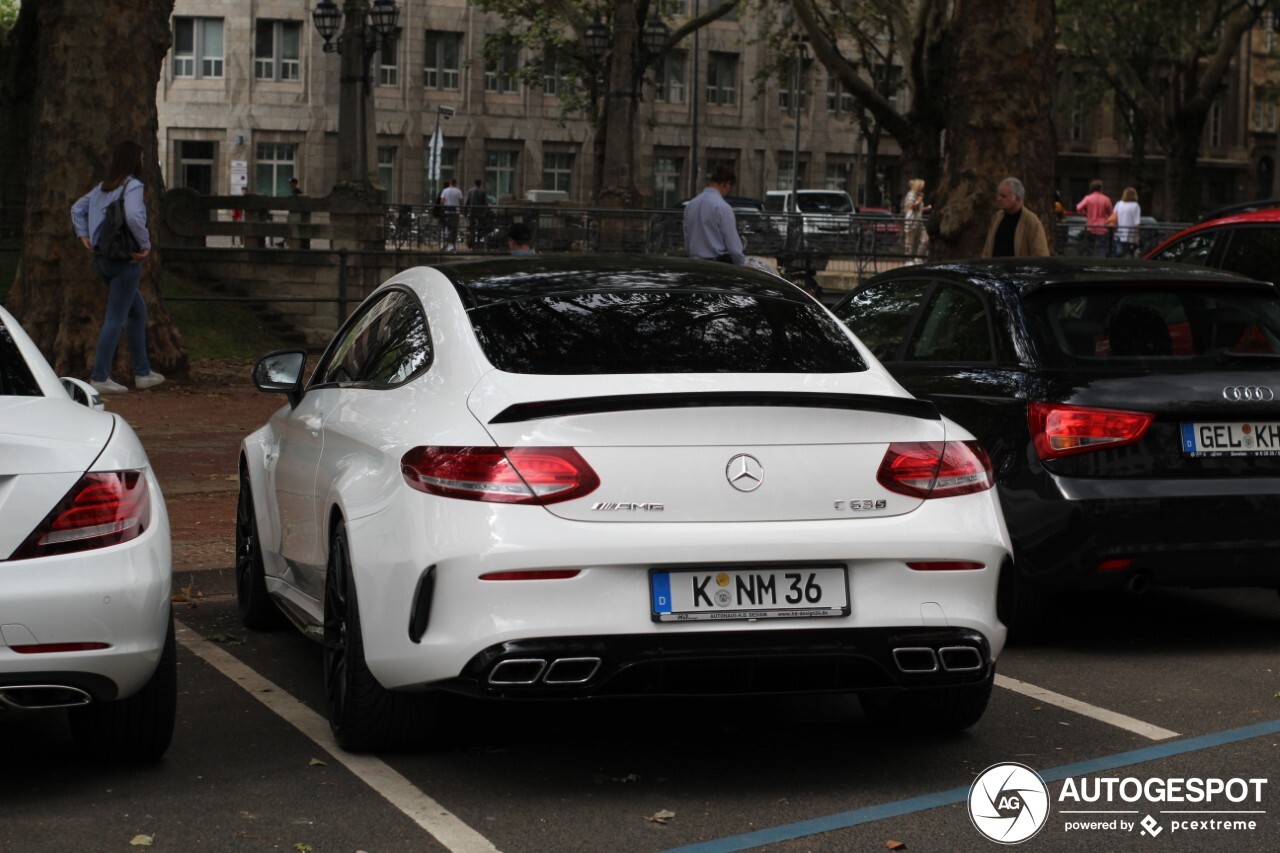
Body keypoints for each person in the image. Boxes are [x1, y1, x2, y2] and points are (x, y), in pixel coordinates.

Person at [70, 140, 165, 395]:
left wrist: (84, 235)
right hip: (126, 260)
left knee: (136, 311)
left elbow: (77, 209)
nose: (143, 162)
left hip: (103, 259)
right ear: (135, 161)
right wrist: (145, 245)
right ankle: (100, 377)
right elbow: (133, 216)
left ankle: (142, 372)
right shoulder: (132, 185)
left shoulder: (102, 187)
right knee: (115, 318)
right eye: (142, 158)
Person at [683, 164, 746, 265]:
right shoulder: (723, 207)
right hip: (716, 264)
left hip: (693, 263)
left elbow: (687, 239)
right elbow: (734, 247)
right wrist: (742, 263)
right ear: (727, 184)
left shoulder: (691, 205)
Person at [981, 176, 1050, 258]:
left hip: (1018, 270)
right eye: (998, 195)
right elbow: (987, 249)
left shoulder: (1031, 221)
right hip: (996, 269)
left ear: (1017, 198)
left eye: (1003, 196)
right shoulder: (997, 218)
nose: (998, 199)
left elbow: (1041, 254)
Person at [1075, 179, 1113, 257]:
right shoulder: (1106, 199)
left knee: (1090, 248)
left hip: (1090, 226)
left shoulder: (1088, 198)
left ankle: (1090, 262)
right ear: (1101, 188)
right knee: (1102, 247)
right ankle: (1101, 264)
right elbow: (1110, 214)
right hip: (1103, 227)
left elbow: (1078, 207)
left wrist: (1085, 214)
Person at [903, 178, 931, 258]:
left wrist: (926, 208)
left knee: (925, 239)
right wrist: (919, 200)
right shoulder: (911, 194)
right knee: (909, 241)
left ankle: (918, 258)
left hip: (919, 219)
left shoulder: (918, 194)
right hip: (912, 219)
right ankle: (908, 259)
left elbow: (919, 208)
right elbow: (910, 206)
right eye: (922, 186)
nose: (923, 188)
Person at [1113, 186, 1142, 257]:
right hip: (1131, 235)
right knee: (1129, 255)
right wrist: (1138, 235)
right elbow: (1136, 222)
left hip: (1119, 233)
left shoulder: (1118, 204)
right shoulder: (1136, 205)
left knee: (1119, 254)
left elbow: (1114, 218)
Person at [439, 178, 463, 250]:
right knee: (454, 229)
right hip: (455, 212)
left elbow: (442, 201)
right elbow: (461, 201)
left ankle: (444, 243)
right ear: (455, 183)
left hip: (447, 211)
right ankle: (452, 244)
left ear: (450, 183)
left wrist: (443, 208)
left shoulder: (445, 190)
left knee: (446, 228)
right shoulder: (458, 191)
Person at [464, 178, 489, 248]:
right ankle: (478, 242)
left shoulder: (470, 191)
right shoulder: (483, 192)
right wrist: (484, 213)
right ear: (480, 184)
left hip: (472, 212)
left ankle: (472, 242)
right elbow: (485, 204)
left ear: (475, 183)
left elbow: (467, 203)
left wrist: (465, 213)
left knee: (472, 228)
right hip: (480, 213)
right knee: (480, 228)